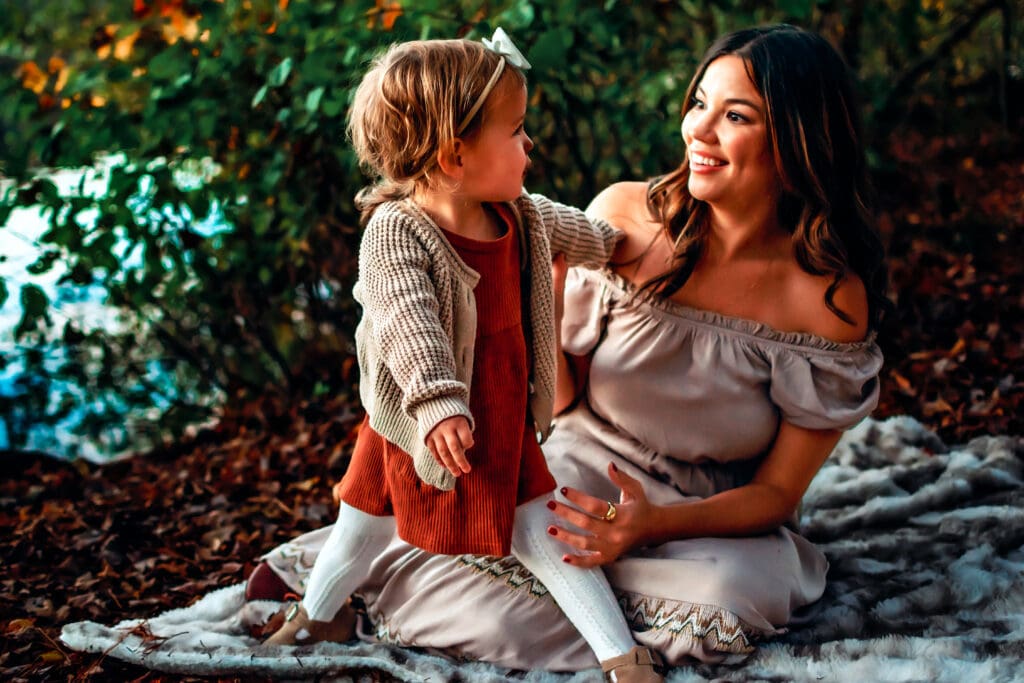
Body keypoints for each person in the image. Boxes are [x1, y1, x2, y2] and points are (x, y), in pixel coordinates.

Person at [247, 23, 887, 670]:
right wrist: (540, 305)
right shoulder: (627, 218)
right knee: (494, 559)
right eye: (698, 103)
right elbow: (551, 387)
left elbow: (777, 494)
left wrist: (647, 525)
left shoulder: (827, 299)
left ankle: (567, 608)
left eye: (736, 115)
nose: (699, 129)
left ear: (799, 139)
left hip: (709, 518)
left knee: (730, 597)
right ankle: (356, 591)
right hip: (579, 464)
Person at [259, 28, 663, 682]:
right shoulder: (397, 233)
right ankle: (318, 612)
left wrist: (632, 247)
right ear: (454, 156)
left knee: (536, 529)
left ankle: (621, 657)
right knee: (361, 525)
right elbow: (407, 321)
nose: (529, 143)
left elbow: (582, 233)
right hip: (422, 415)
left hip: (498, 410)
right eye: (516, 129)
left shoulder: (519, 213)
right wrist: (438, 403)